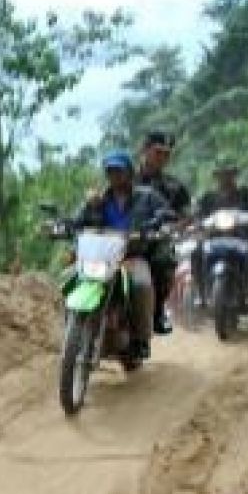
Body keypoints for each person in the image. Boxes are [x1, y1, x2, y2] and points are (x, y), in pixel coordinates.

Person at [75, 151, 171, 360]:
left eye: (119, 171)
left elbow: (166, 213)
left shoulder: (147, 196)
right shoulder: (97, 199)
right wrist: (65, 225)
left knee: (141, 284)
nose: (115, 176)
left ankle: (140, 339)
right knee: (72, 278)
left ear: (129, 173)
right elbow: (79, 220)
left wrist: (158, 222)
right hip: (101, 258)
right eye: (110, 171)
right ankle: (74, 331)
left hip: (132, 256)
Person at [195, 162, 248, 323]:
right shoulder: (208, 197)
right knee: (196, 253)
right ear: (216, 177)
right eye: (222, 174)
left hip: (244, 241)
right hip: (214, 241)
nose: (226, 178)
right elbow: (196, 211)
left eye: (229, 174)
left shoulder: (247, 194)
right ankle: (201, 294)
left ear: (235, 175)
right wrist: (195, 220)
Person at [137, 131, 191, 335]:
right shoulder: (124, 177)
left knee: (164, 262)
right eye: (158, 152)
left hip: (154, 242)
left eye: (167, 154)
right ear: (145, 150)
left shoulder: (175, 187)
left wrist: (175, 227)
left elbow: (186, 215)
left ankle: (158, 311)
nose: (162, 158)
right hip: (119, 239)